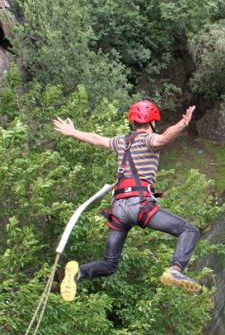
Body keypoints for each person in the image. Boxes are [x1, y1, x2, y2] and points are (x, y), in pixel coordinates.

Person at [53, 100, 202, 302]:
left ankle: (78, 273)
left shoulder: (121, 141)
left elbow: (96, 139)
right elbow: (165, 138)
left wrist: (73, 132)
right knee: (189, 230)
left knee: (110, 264)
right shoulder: (148, 140)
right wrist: (183, 124)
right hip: (138, 206)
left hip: (118, 211)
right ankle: (175, 269)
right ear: (152, 122)